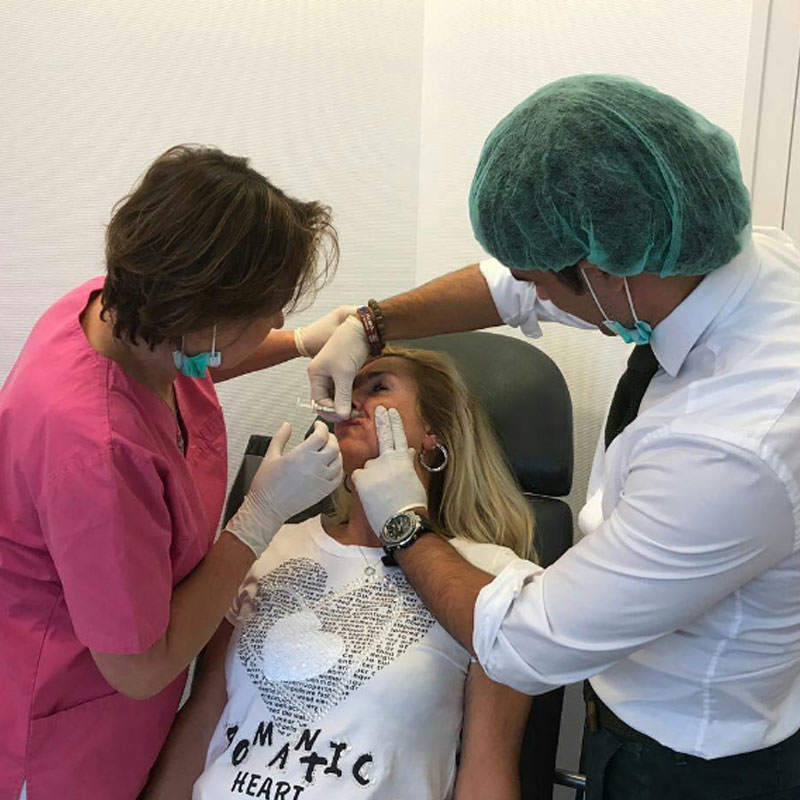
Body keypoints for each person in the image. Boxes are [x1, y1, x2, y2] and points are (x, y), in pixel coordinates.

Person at [304, 75, 800, 798]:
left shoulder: (733, 447)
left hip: (693, 763)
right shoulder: (724, 262)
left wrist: (405, 523)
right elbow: (510, 284)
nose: (530, 297)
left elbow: (521, 646)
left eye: (541, 282)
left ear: (606, 274)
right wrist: (370, 325)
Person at [0, 145, 354, 800]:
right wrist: (257, 521)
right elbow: (139, 668)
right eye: (272, 307)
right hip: (65, 732)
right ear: (203, 315)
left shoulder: (121, 309)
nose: (280, 318)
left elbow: (195, 359)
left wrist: (300, 342)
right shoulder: (96, 452)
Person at [142, 347, 535, 800]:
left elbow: (487, 771)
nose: (349, 404)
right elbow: (202, 722)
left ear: (434, 433)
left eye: (378, 387)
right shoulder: (268, 547)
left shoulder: (489, 579)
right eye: (344, 391)